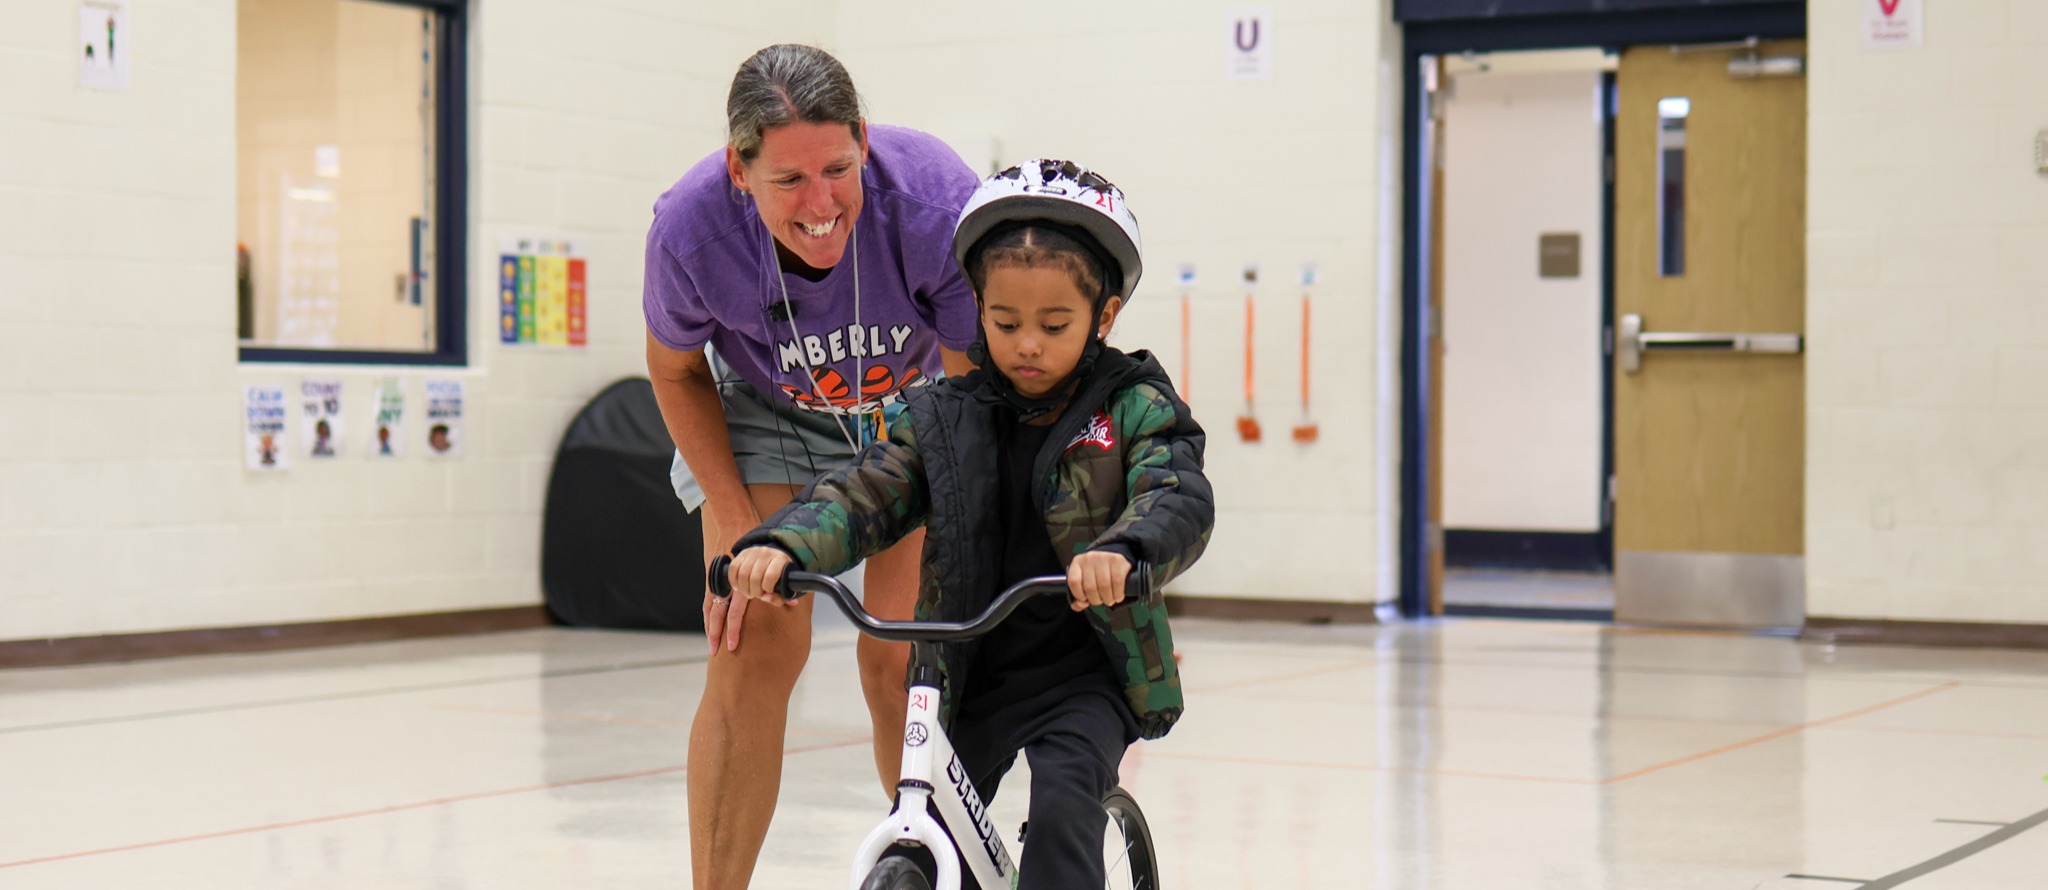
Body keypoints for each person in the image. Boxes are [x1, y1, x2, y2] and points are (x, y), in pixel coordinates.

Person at [725, 159, 1213, 888]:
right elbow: (867, 490)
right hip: (972, 667)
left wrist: (1127, 549)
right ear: (977, 307)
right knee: (929, 832)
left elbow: (1175, 491)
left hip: (1085, 672)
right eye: (1004, 321)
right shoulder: (944, 416)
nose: (1026, 345)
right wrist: (782, 542)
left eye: (1054, 325)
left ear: (1103, 317)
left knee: (1059, 818)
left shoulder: (1132, 405)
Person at [640, 44, 980, 887]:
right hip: (768, 416)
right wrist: (727, 513)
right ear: (739, 169)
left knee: (900, 658)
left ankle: (928, 868)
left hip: (915, 415)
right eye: (788, 181)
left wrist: (975, 509)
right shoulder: (690, 229)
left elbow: (976, 381)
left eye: (837, 168)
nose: (821, 202)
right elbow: (676, 370)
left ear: (864, 141)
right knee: (753, 643)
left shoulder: (936, 201)